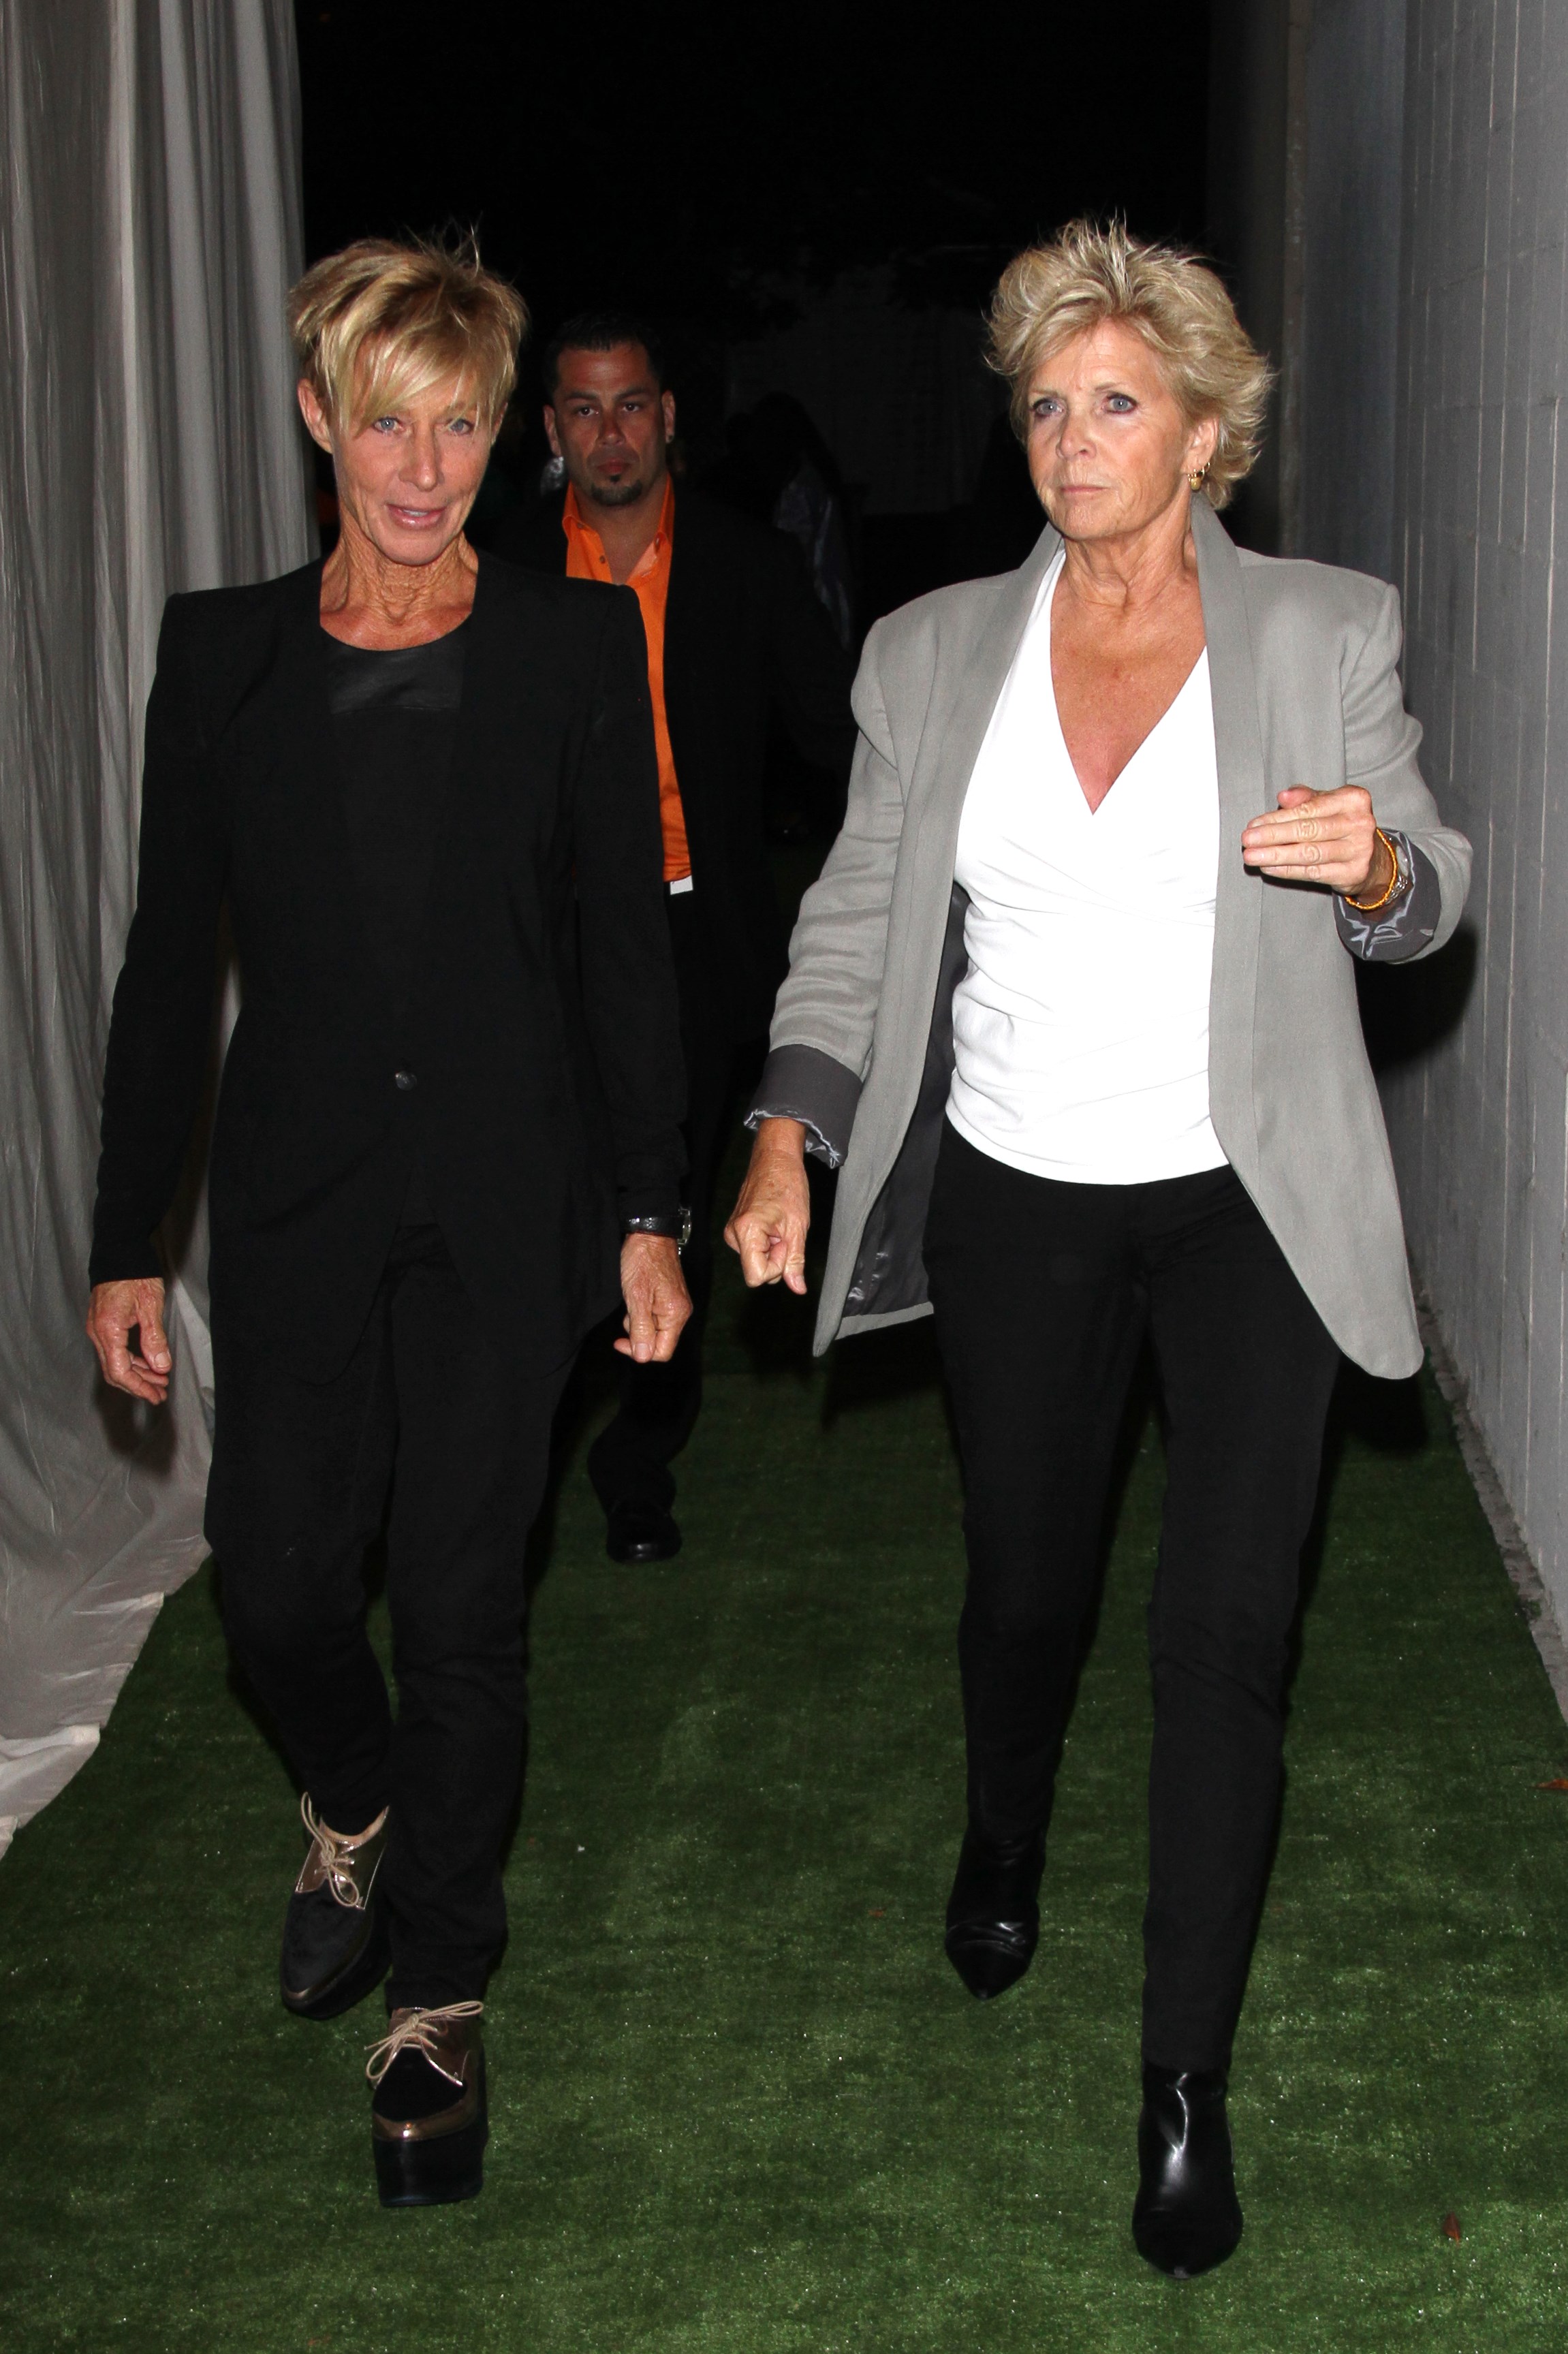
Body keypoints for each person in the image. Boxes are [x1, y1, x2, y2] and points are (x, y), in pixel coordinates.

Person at [725, 219, 1471, 2280]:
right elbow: (860, 916)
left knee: (1221, 1636)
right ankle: (999, 1818)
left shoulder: (1320, 628)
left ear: (1206, 433)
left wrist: (1382, 866)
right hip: (1019, 1189)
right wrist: (785, 1126)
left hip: (1245, 1208)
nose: (1070, 438)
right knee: (1025, 1586)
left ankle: (1177, 2087)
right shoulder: (926, 648)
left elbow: (1423, 878)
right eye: (1044, 405)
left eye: (1114, 403)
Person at [85, 237, 690, 2209]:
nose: (420, 469)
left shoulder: (569, 650)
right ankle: (347, 1802)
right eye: (383, 424)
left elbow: (623, 959)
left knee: (458, 1604)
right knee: (270, 1595)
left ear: (497, 436)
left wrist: (647, 1211)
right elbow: (174, 963)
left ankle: (438, 1988)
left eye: (456, 427)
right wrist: (120, 1235)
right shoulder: (223, 654)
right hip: (296, 1205)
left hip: (514, 1211)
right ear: (315, 420)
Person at [495, 315, 855, 1565]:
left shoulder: (745, 567)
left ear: (666, 420)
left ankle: (638, 1463)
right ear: (550, 430)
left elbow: (839, 737)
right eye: (582, 409)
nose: (609, 431)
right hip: (547, 942)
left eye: (630, 405)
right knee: (545, 1197)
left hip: (704, 940)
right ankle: (514, 1471)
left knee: (675, 1201)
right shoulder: (500, 570)